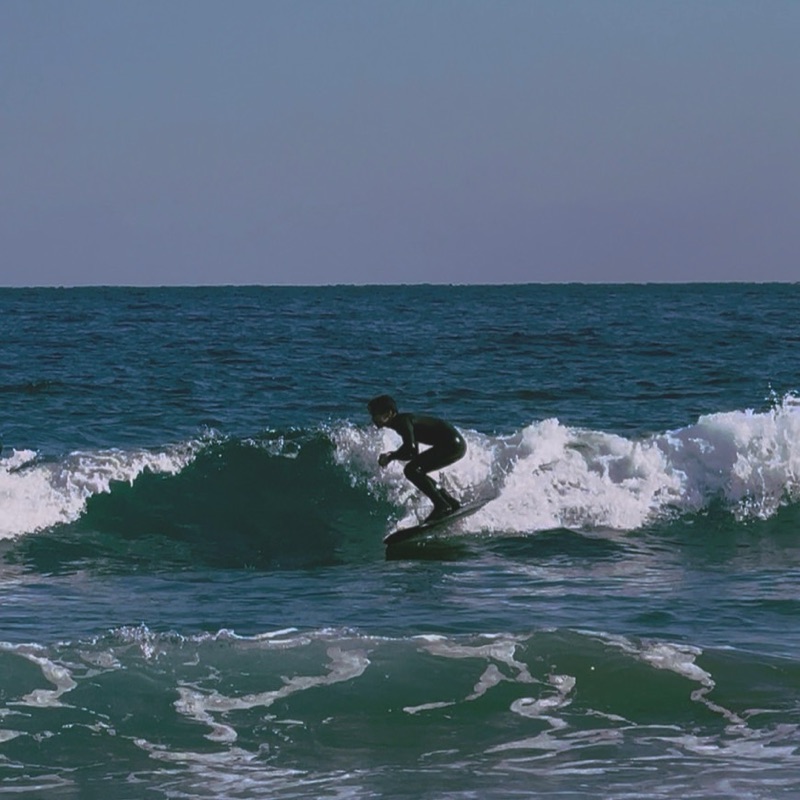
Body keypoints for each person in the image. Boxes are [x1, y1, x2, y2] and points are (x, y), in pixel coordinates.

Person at [368, 394, 466, 522]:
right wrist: (393, 455)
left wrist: (391, 456)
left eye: (375, 414)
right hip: (454, 444)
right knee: (416, 470)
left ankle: (442, 505)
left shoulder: (402, 421)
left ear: (388, 413)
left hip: (452, 444)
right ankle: (450, 502)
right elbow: (413, 449)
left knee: (412, 470)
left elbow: (412, 451)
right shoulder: (403, 422)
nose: (373, 419)